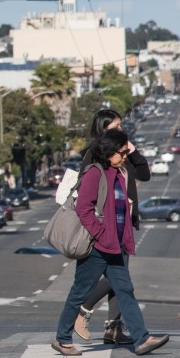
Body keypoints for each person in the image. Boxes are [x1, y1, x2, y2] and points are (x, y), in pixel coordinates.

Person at [53, 129, 168, 357]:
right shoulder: (94, 173)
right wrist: (100, 235)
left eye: (126, 152)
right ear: (109, 151)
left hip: (115, 246)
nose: (124, 156)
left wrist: (123, 240)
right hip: (96, 247)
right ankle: (62, 338)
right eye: (121, 152)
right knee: (79, 292)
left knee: (125, 290)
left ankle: (141, 339)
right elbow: (84, 209)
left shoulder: (117, 173)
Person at [72, 109, 150, 345]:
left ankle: (113, 329)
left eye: (121, 125)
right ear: (102, 130)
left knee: (119, 279)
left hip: (122, 221)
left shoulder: (123, 153)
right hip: (103, 225)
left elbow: (145, 174)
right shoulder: (93, 155)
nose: (120, 130)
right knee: (117, 278)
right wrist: (97, 228)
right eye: (115, 127)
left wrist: (133, 150)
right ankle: (82, 310)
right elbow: (85, 192)